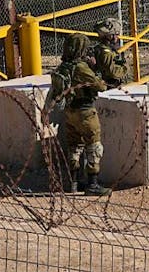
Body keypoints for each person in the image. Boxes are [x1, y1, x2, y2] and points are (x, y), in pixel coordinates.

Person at [49, 33, 111, 196]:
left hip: (70, 111)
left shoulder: (63, 67)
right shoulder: (81, 68)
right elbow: (100, 86)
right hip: (85, 112)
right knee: (94, 146)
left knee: (75, 146)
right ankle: (93, 184)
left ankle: (74, 182)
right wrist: (95, 68)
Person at [92, 17, 129, 87]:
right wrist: (126, 67)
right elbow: (114, 72)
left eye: (117, 35)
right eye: (113, 35)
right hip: (109, 86)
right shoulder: (106, 52)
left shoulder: (102, 48)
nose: (116, 38)